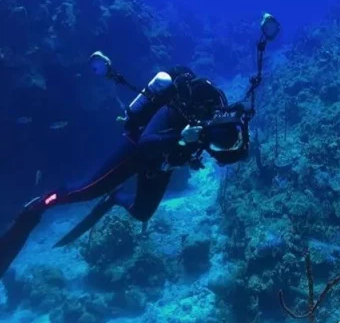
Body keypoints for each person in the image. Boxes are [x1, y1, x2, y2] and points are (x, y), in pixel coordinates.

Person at [0, 60, 248, 279]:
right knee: (86, 191)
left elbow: (225, 153)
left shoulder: (216, 119)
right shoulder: (175, 109)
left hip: (163, 161)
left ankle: (115, 197)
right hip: (137, 150)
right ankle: (38, 205)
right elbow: (147, 143)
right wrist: (181, 137)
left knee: (142, 212)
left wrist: (235, 143)